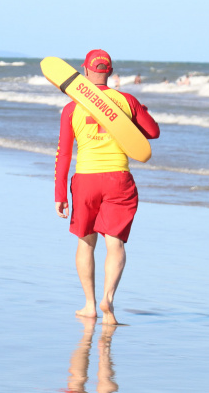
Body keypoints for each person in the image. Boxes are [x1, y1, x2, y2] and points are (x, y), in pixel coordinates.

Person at [54, 49, 160, 326]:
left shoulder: (71, 107)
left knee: (86, 242)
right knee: (115, 243)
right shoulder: (126, 100)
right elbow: (152, 132)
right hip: (118, 179)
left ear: (84, 71)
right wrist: (136, 113)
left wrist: (59, 194)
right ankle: (108, 300)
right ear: (111, 73)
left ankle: (89, 305)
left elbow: (63, 153)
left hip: (86, 179)